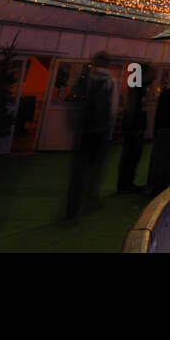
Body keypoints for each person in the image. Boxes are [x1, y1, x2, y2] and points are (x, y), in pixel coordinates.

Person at [66, 52, 116, 219]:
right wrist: (110, 131)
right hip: (101, 131)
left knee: (78, 171)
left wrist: (74, 124)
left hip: (83, 131)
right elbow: (113, 109)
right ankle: (91, 199)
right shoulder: (110, 81)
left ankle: (72, 208)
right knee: (96, 169)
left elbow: (74, 101)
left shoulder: (84, 78)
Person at [116, 83, 147, 194]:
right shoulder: (137, 92)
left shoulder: (135, 91)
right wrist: (136, 128)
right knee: (130, 157)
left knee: (131, 157)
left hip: (133, 130)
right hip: (134, 131)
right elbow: (133, 111)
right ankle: (125, 184)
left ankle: (126, 183)